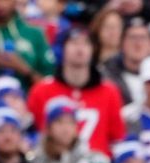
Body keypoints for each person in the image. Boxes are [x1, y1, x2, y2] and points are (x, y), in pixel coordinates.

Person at [27, 25, 126, 156]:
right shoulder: (42, 90)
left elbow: (117, 138)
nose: (80, 49)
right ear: (63, 48)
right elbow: (32, 133)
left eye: (86, 43)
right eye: (74, 43)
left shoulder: (109, 92)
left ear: (93, 50)